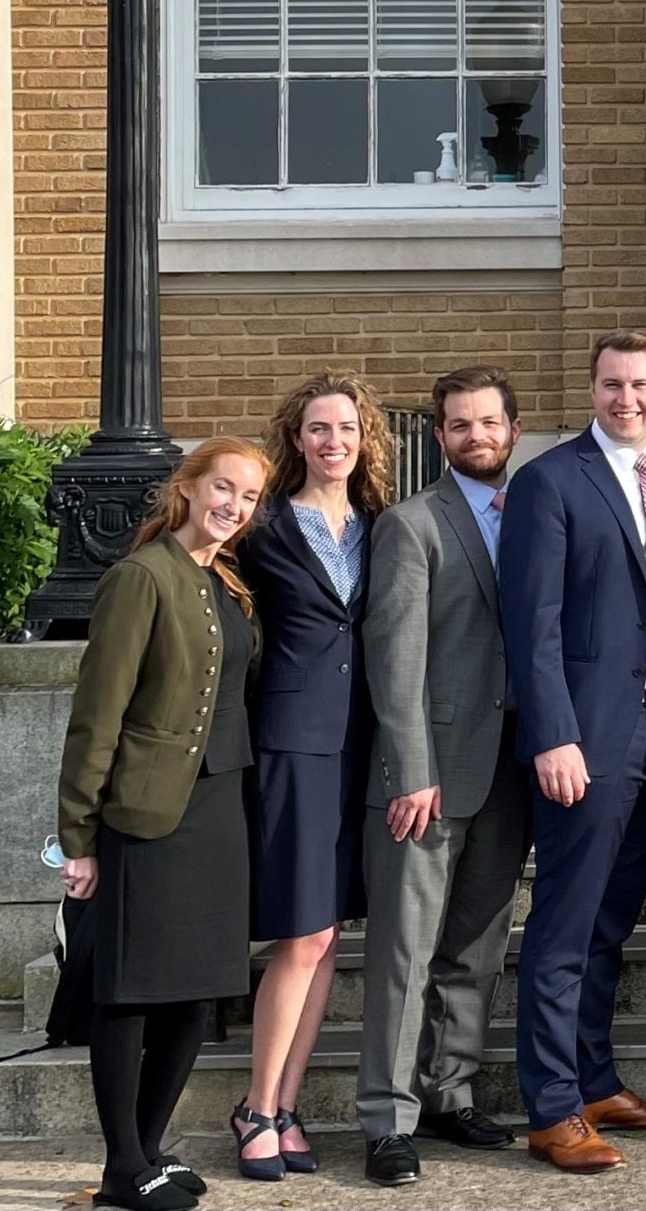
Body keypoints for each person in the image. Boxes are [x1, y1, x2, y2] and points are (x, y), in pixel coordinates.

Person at [56, 438, 272, 1211]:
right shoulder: (138, 577)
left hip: (219, 811)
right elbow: (96, 716)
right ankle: (122, 1164)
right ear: (185, 487)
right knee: (131, 993)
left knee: (197, 991)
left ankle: (148, 1150)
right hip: (148, 814)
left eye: (248, 497)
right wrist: (78, 838)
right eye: (224, 486)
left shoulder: (229, 584)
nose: (235, 505)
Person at [500, 330, 646, 1172]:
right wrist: (554, 734)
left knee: (613, 916)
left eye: (640, 384)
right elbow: (531, 624)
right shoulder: (550, 480)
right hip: (587, 735)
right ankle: (550, 1106)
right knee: (566, 921)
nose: (627, 399)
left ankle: (596, 1076)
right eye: (612, 384)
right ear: (591, 389)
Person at [355, 366, 533, 1187]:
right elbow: (394, 662)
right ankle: (388, 1119)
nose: (476, 435)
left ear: (514, 427)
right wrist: (410, 771)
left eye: (488, 421)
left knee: (477, 945)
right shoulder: (410, 524)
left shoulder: (533, 515)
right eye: (459, 424)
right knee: (404, 949)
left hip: (511, 770)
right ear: (439, 434)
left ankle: (450, 1090)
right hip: (428, 778)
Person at [233, 373, 391, 1180]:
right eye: (319, 428)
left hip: (359, 745)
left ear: (365, 438)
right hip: (293, 742)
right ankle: (255, 1106)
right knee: (300, 934)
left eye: (348, 428)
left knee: (329, 937)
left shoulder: (378, 525)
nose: (335, 441)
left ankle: (287, 1106)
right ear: (296, 437)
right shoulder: (261, 528)